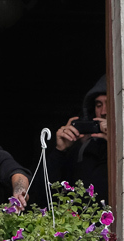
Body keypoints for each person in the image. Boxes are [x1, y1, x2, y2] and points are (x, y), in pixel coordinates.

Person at [44, 75, 108, 203]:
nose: (103, 112)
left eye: (109, 104)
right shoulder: (82, 148)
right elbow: (46, 193)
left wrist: (115, 145)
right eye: (98, 105)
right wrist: (60, 150)